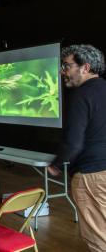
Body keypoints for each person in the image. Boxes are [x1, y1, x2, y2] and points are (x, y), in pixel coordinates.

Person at [47, 44, 106, 252]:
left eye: (67, 66)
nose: (63, 71)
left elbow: (73, 141)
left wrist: (55, 165)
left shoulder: (82, 95)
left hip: (91, 175)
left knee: (98, 238)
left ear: (85, 67)